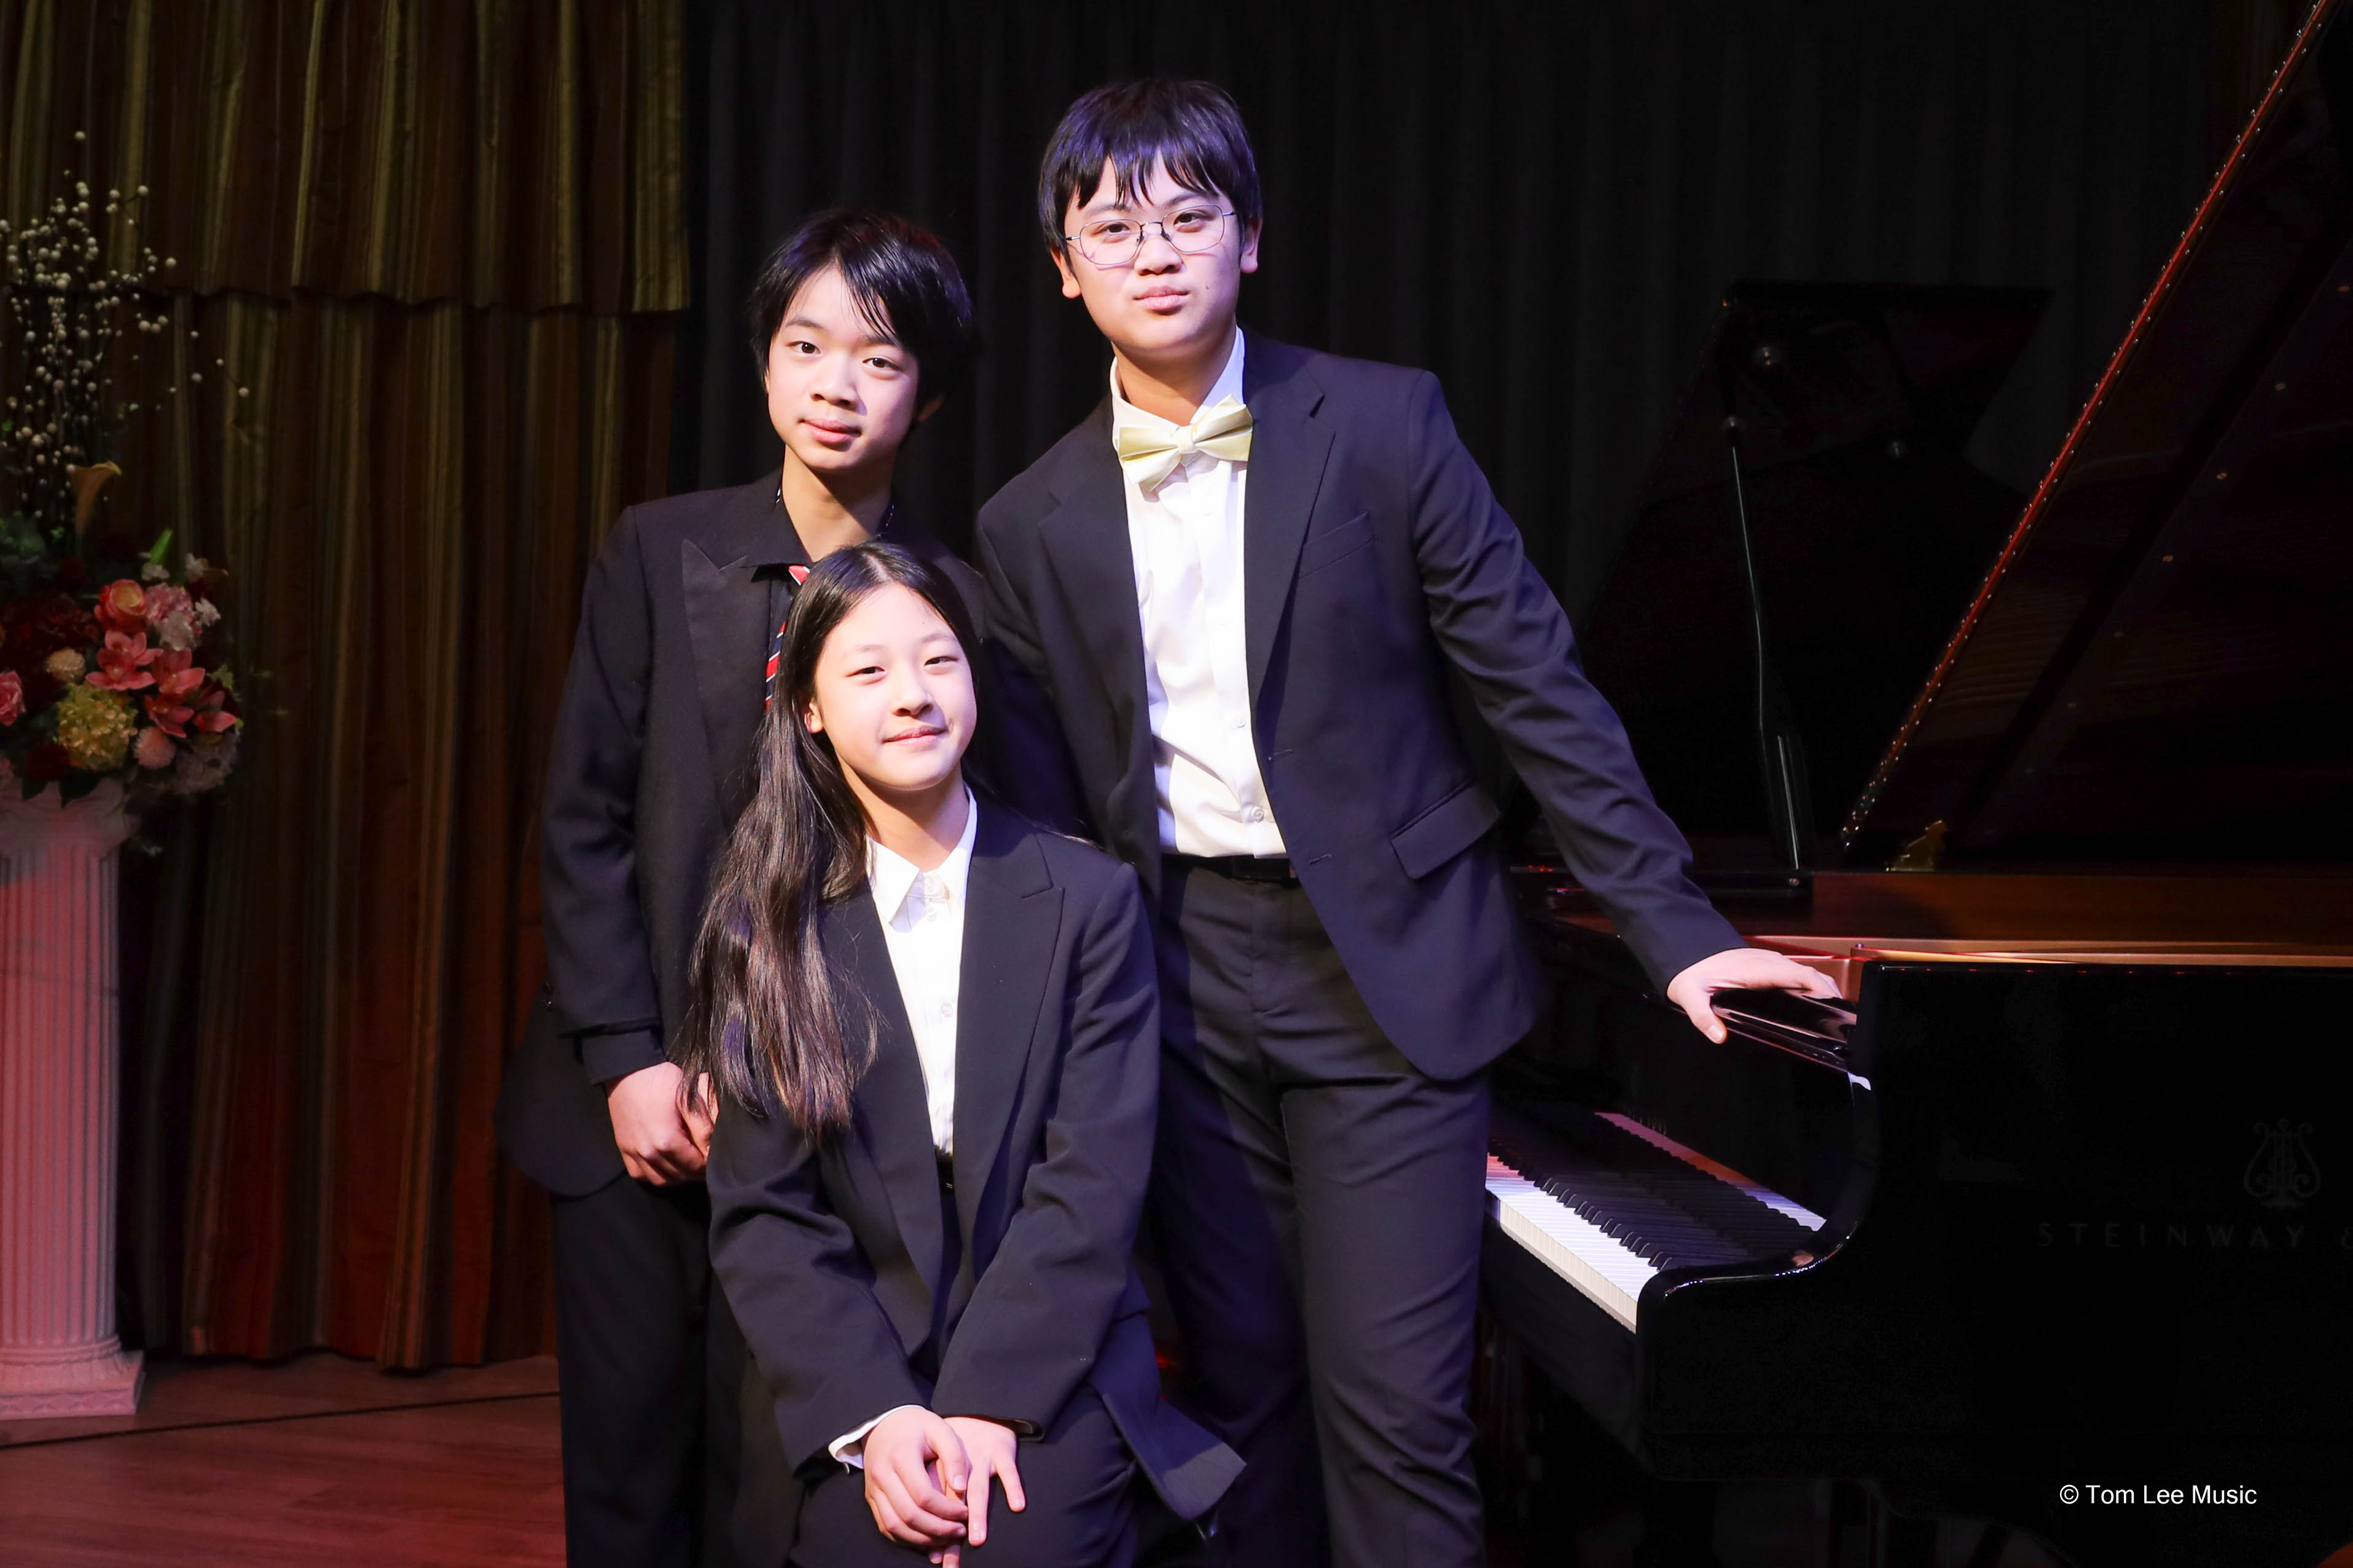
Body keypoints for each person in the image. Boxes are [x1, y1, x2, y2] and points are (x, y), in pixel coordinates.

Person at [972, 79, 1844, 1568]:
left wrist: (1676, 930)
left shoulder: (1381, 421)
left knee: (1396, 1417)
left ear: (1251, 237)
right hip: (1176, 987)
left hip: (1383, 972)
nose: (1154, 252)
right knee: (1240, 1407)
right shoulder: (1026, 519)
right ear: (1064, 269)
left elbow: (1535, 684)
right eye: (1112, 228)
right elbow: (1050, 815)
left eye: (1189, 216)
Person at [495, 209, 986, 1567]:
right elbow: (584, 819)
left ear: (929, 395)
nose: (834, 384)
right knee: (629, 1475)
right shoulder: (659, 551)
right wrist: (628, 1056)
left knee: (773, 1487)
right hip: (635, 1099)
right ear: (765, 362)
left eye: (878, 359)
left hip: (829, 1114)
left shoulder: (949, 600)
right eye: (804, 346)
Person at [689, 542, 1241, 1567]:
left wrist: (993, 1402)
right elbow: (768, 1214)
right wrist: (878, 1416)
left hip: (1050, 1344)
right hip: (854, 1355)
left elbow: (1091, 1183)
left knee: (1018, 1544)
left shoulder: (1087, 900)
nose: (913, 694)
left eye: (937, 660)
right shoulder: (767, 927)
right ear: (808, 708)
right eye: (868, 670)